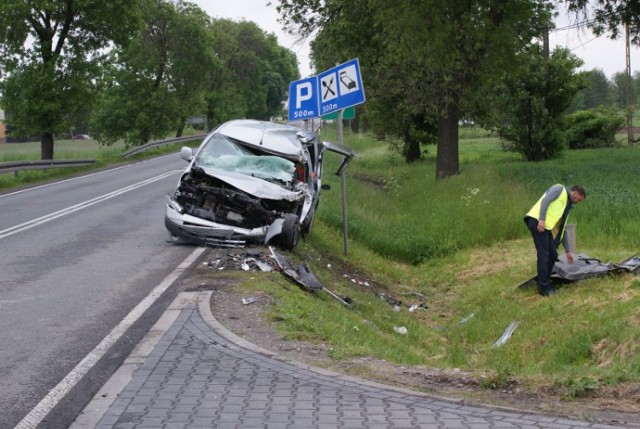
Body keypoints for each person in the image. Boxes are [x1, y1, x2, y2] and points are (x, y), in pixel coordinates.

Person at [524, 184, 586, 296]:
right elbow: (545, 200)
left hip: (545, 227)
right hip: (537, 221)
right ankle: (543, 288)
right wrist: (541, 219)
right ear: (575, 193)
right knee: (544, 255)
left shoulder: (565, 206)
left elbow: (562, 229)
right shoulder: (559, 189)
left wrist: (567, 251)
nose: (578, 202)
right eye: (578, 199)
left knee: (553, 255)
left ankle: (544, 281)